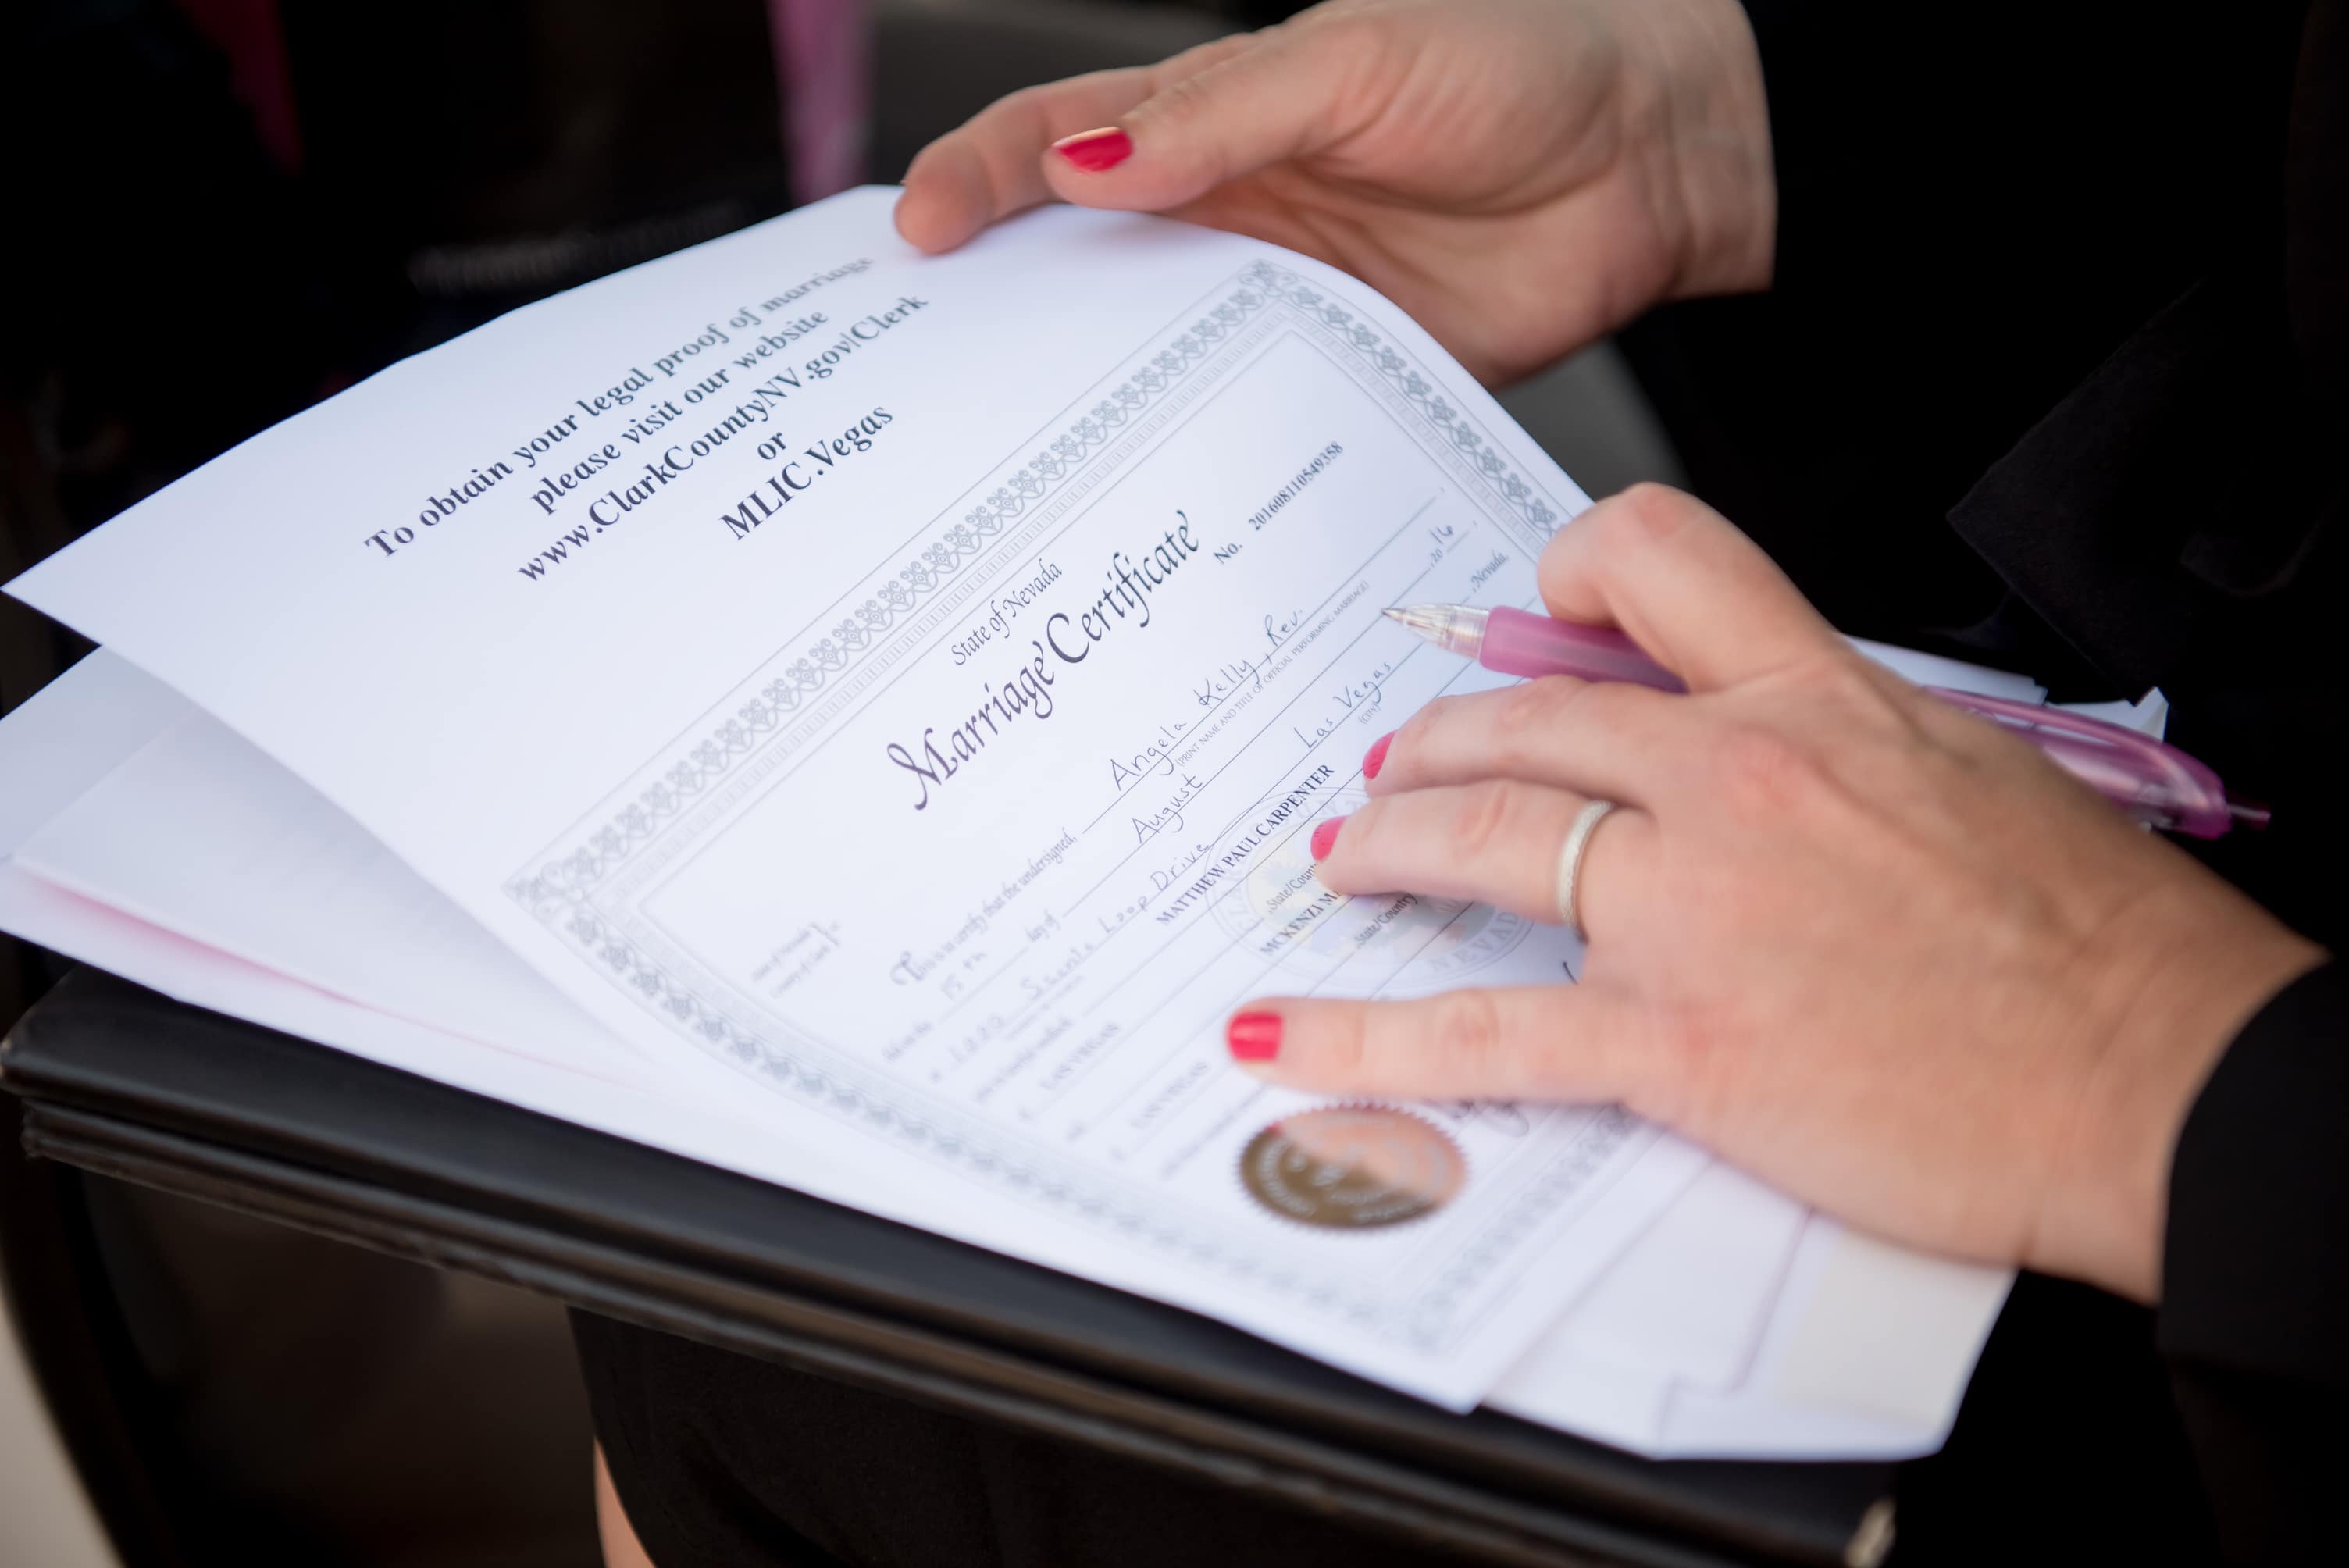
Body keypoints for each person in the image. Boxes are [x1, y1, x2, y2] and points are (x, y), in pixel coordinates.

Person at [576, 2, 2347, 1560]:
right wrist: (1717, 114)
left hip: (2262, 1248)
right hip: (2210, 673)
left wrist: (2141, 1053)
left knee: (769, 1344)